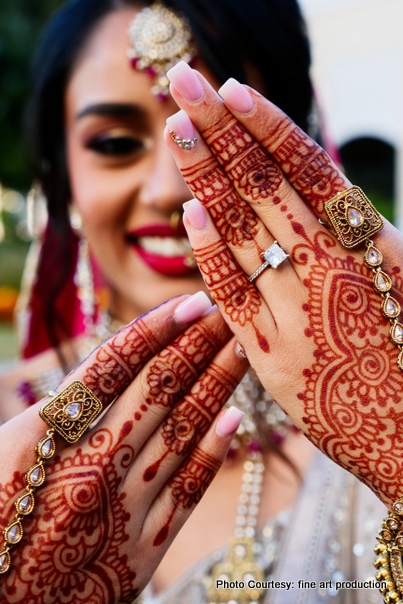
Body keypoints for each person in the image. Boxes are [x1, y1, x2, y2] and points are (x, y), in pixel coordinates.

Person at [0, 0, 393, 602]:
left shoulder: (372, 419)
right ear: (61, 171)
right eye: (113, 142)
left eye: (215, 139)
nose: (170, 190)